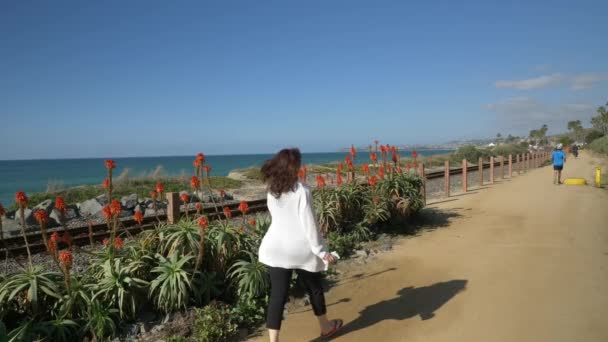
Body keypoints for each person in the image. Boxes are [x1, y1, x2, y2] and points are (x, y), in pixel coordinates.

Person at [258, 148, 343, 342]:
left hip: (275, 248)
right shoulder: (302, 191)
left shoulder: (272, 190)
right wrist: (322, 252)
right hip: (300, 250)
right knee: (314, 287)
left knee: (277, 296)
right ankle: (326, 327)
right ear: (294, 167)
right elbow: (309, 225)